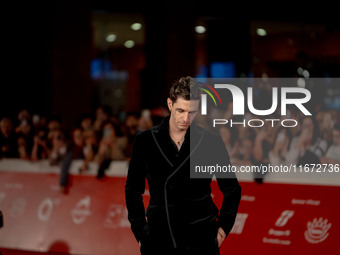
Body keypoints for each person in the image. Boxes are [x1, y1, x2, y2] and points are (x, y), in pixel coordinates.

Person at [125, 76, 241, 255]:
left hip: (201, 237)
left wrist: (222, 231)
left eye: (192, 112)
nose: (186, 118)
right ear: (170, 104)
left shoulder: (211, 141)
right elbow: (133, 190)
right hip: (159, 238)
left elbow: (231, 188)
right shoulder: (145, 141)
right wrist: (141, 233)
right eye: (181, 110)